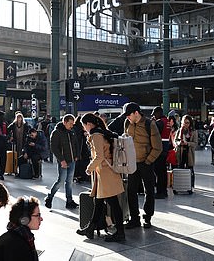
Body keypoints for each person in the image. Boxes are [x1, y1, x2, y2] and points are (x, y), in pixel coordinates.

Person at [76, 113, 125, 242]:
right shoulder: (101, 132)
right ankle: (90, 229)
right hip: (105, 173)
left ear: (89, 124)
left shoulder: (96, 135)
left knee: (113, 203)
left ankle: (120, 233)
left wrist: (89, 168)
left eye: (84, 125)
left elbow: (99, 156)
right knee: (99, 202)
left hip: (105, 173)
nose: (84, 128)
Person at [122, 102, 162, 229]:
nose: (127, 117)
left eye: (129, 115)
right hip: (132, 163)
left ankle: (147, 217)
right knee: (131, 191)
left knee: (149, 191)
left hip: (146, 163)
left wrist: (148, 161)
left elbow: (158, 147)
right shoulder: (127, 123)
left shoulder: (150, 124)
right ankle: (134, 218)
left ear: (136, 113)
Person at [0, 196, 43, 261]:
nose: (41, 219)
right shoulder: (16, 245)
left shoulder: (20, 237)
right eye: (37, 215)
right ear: (25, 219)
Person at [44, 114, 79, 210]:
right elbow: (54, 148)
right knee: (61, 181)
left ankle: (69, 201)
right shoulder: (57, 132)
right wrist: (61, 160)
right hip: (63, 161)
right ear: (65, 122)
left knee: (69, 182)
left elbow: (76, 144)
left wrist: (76, 155)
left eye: (73, 123)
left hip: (72, 160)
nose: (72, 125)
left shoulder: (71, 132)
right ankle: (49, 197)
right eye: (70, 123)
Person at [152, 106, 171, 199]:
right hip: (165, 148)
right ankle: (164, 191)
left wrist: (153, 122)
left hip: (159, 149)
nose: (154, 116)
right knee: (163, 171)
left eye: (155, 114)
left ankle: (160, 192)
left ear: (158, 113)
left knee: (159, 171)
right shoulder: (167, 121)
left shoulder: (160, 122)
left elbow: (154, 133)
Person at [173, 114, 197, 188]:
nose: (185, 124)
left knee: (190, 170)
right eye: (184, 122)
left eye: (187, 123)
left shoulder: (193, 132)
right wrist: (179, 143)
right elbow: (175, 140)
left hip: (189, 153)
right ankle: (181, 185)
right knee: (180, 168)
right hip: (180, 152)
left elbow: (195, 144)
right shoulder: (179, 131)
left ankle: (190, 186)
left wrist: (188, 143)